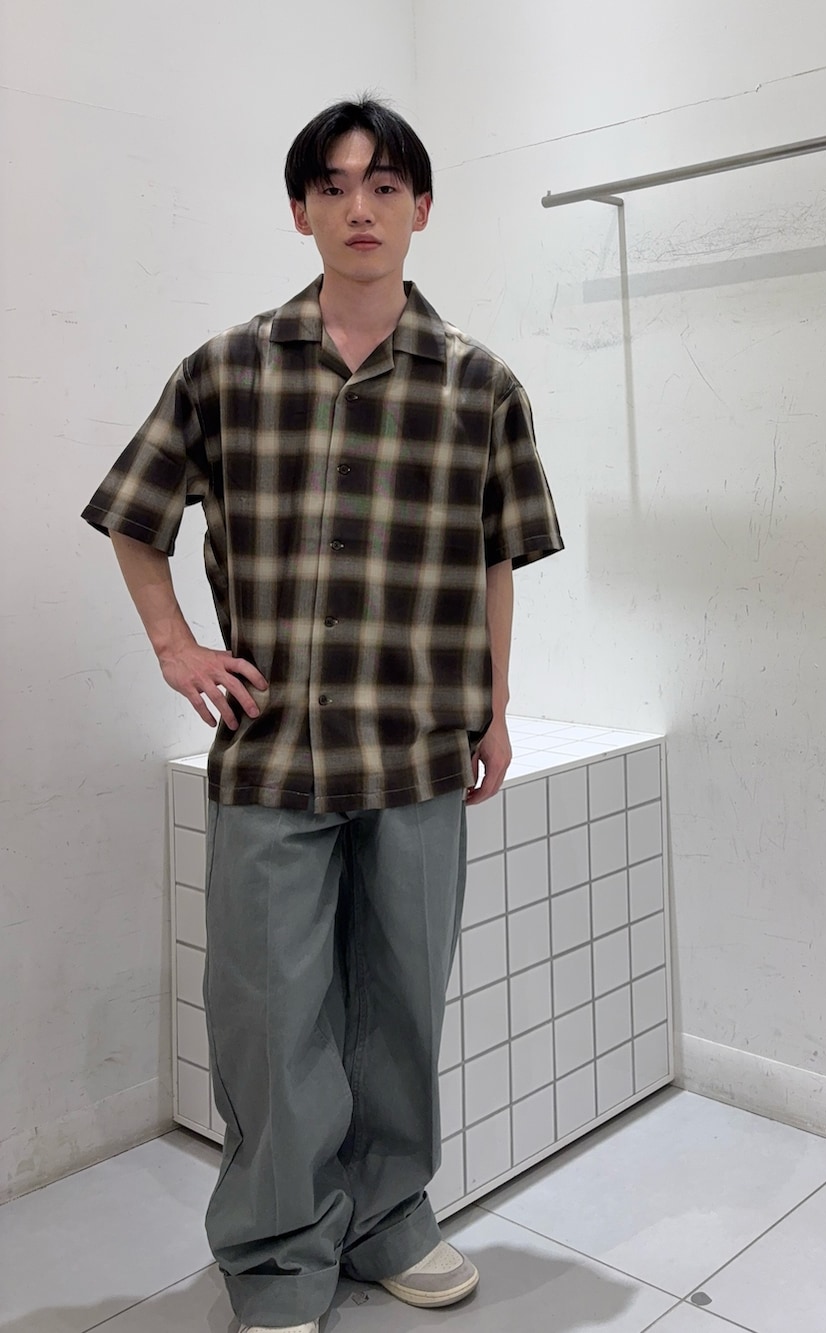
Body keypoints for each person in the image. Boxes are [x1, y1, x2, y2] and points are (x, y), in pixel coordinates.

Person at [81, 98, 563, 1333]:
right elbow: (136, 514)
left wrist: (494, 708)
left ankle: (390, 1217)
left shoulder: (480, 386)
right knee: (270, 1015)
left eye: (385, 185)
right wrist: (175, 645)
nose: (361, 207)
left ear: (421, 208)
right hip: (273, 757)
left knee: (401, 1003)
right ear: (300, 210)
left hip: (417, 748)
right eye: (335, 186)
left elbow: (496, 559)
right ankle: (280, 1255)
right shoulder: (225, 370)